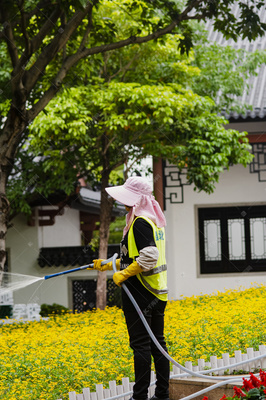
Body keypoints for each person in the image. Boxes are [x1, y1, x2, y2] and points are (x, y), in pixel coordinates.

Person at [93, 176, 169, 400]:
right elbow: (133, 257)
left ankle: (139, 396)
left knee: (141, 345)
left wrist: (124, 274)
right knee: (157, 343)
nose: (123, 202)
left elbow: (149, 257)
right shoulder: (150, 221)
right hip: (157, 291)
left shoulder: (140, 223)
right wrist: (108, 264)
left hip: (141, 292)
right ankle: (162, 394)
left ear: (136, 200)